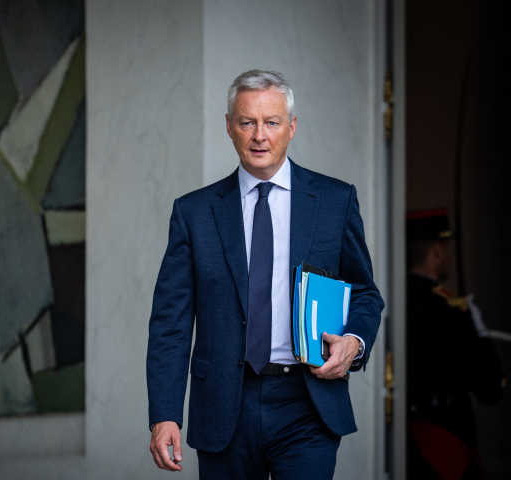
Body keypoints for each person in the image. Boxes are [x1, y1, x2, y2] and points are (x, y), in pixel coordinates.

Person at [146, 70, 384, 479]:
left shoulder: (334, 200)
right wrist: (164, 414)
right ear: (228, 126)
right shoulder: (194, 214)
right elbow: (171, 323)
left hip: (307, 405)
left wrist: (355, 343)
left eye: (271, 122)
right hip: (223, 406)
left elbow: (364, 292)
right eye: (247, 122)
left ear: (291, 127)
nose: (260, 135)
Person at [406, 209, 505, 480]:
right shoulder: (451, 309)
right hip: (447, 438)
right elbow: (491, 388)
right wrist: (481, 334)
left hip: (404, 437)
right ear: (437, 250)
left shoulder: (389, 298)